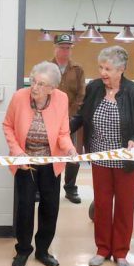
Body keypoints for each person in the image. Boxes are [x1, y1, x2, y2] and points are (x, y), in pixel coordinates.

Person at [71, 46, 134, 266]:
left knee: (125, 208)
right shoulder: (95, 88)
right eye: (101, 67)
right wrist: (60, 131)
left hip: (127, 161)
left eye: (108, 68)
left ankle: (120, 253)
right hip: (100, 158)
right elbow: (81, 116)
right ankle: (102, 249)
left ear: (122, 69)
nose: (103, 72)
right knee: (103, 205)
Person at [3, 61, 77, 266]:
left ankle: (43, 251)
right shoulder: (19, 96)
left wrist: (70, 149)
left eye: (42, 84)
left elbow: (63, 133)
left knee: (50, 207)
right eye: (33, 81)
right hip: (25, 162)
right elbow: (7, 126)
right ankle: (23, 250)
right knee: (25, 207)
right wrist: (18, 153)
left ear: (52, 89)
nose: (35, 87)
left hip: (51, 162)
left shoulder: (61, 99)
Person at [51, 33, 85, 204]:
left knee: (73, 154)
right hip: (49, 119)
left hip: (71, 119)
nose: (65, 51)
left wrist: (71, 117)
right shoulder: (47, 67)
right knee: (47, 152)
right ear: (55, 48)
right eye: (62, 47)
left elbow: (81, 95)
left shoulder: (77, 69)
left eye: (68, 48)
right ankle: (43, 188)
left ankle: (70, 189)